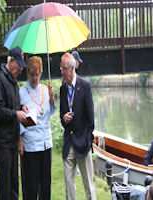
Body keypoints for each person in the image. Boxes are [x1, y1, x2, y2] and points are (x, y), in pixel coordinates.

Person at [0, 46, 29, 200]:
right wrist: (15, 114)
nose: (20, 70)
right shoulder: (0, 79)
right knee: (5, 186)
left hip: (12, 141)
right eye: (18, 66)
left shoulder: (13, 82)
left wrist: (21, 108)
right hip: (3, 142)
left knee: (14, 184)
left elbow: (11, 106)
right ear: (11, 60)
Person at [18, 56, 56, 200]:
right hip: (30, 145)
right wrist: (20, 139)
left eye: (37, 74)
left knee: (45, 184)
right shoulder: (21, 92)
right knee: (30, 185)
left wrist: (52, 99)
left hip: (46, 143)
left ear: (41, 73)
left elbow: (50, 113)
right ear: (27, 74)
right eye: (32, 74)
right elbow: (18, 119)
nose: (35, 78)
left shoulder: (46, 90)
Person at [60, 52, 96, 200]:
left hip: (83, 143)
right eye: (61, 68)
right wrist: (64, 118)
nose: (61, 72)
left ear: (71, 69)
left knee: (88, 186)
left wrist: (87, 139)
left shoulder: (85, 86)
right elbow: (62, 117)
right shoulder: (62, 89)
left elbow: (91, 120)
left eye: (63, 68)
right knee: (69, 186)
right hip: (69, 143)